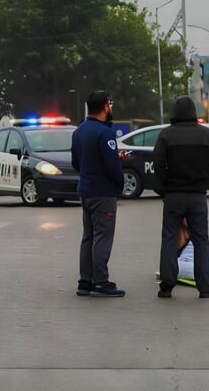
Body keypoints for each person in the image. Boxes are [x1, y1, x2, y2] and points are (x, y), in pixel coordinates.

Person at [154, 95, 209, 299]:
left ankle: (167, 285)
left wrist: (165, 188)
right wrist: (202, 184)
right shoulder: (205, 134)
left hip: (173, 196)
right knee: (201, 241)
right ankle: (205, 288)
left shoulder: (166, 135)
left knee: (170, 238)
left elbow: (158, 165)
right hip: (198, 196)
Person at [70, 91, 125, 298]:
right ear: (105, 107)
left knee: (88, 236)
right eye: (110, 104)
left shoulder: (79, 131)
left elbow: (76, 163)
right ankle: (100, 282)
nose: (111, 107)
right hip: (103, 193)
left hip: (86, 191)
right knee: (102, 237)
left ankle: (85, 281)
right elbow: (112, 167)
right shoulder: (105, 133)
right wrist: (119, 184)